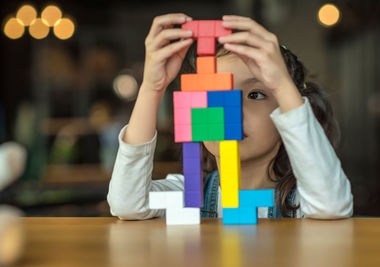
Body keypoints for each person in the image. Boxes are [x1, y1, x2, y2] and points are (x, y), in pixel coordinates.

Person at [107, 13, 353, 219]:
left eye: (255, 95)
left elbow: (332, 205)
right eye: (215, 95)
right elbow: (127, 204)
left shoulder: (304, 201)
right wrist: (152, 88)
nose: (229, 109)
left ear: (286, 118)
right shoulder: (188, 194)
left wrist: (283, 86)